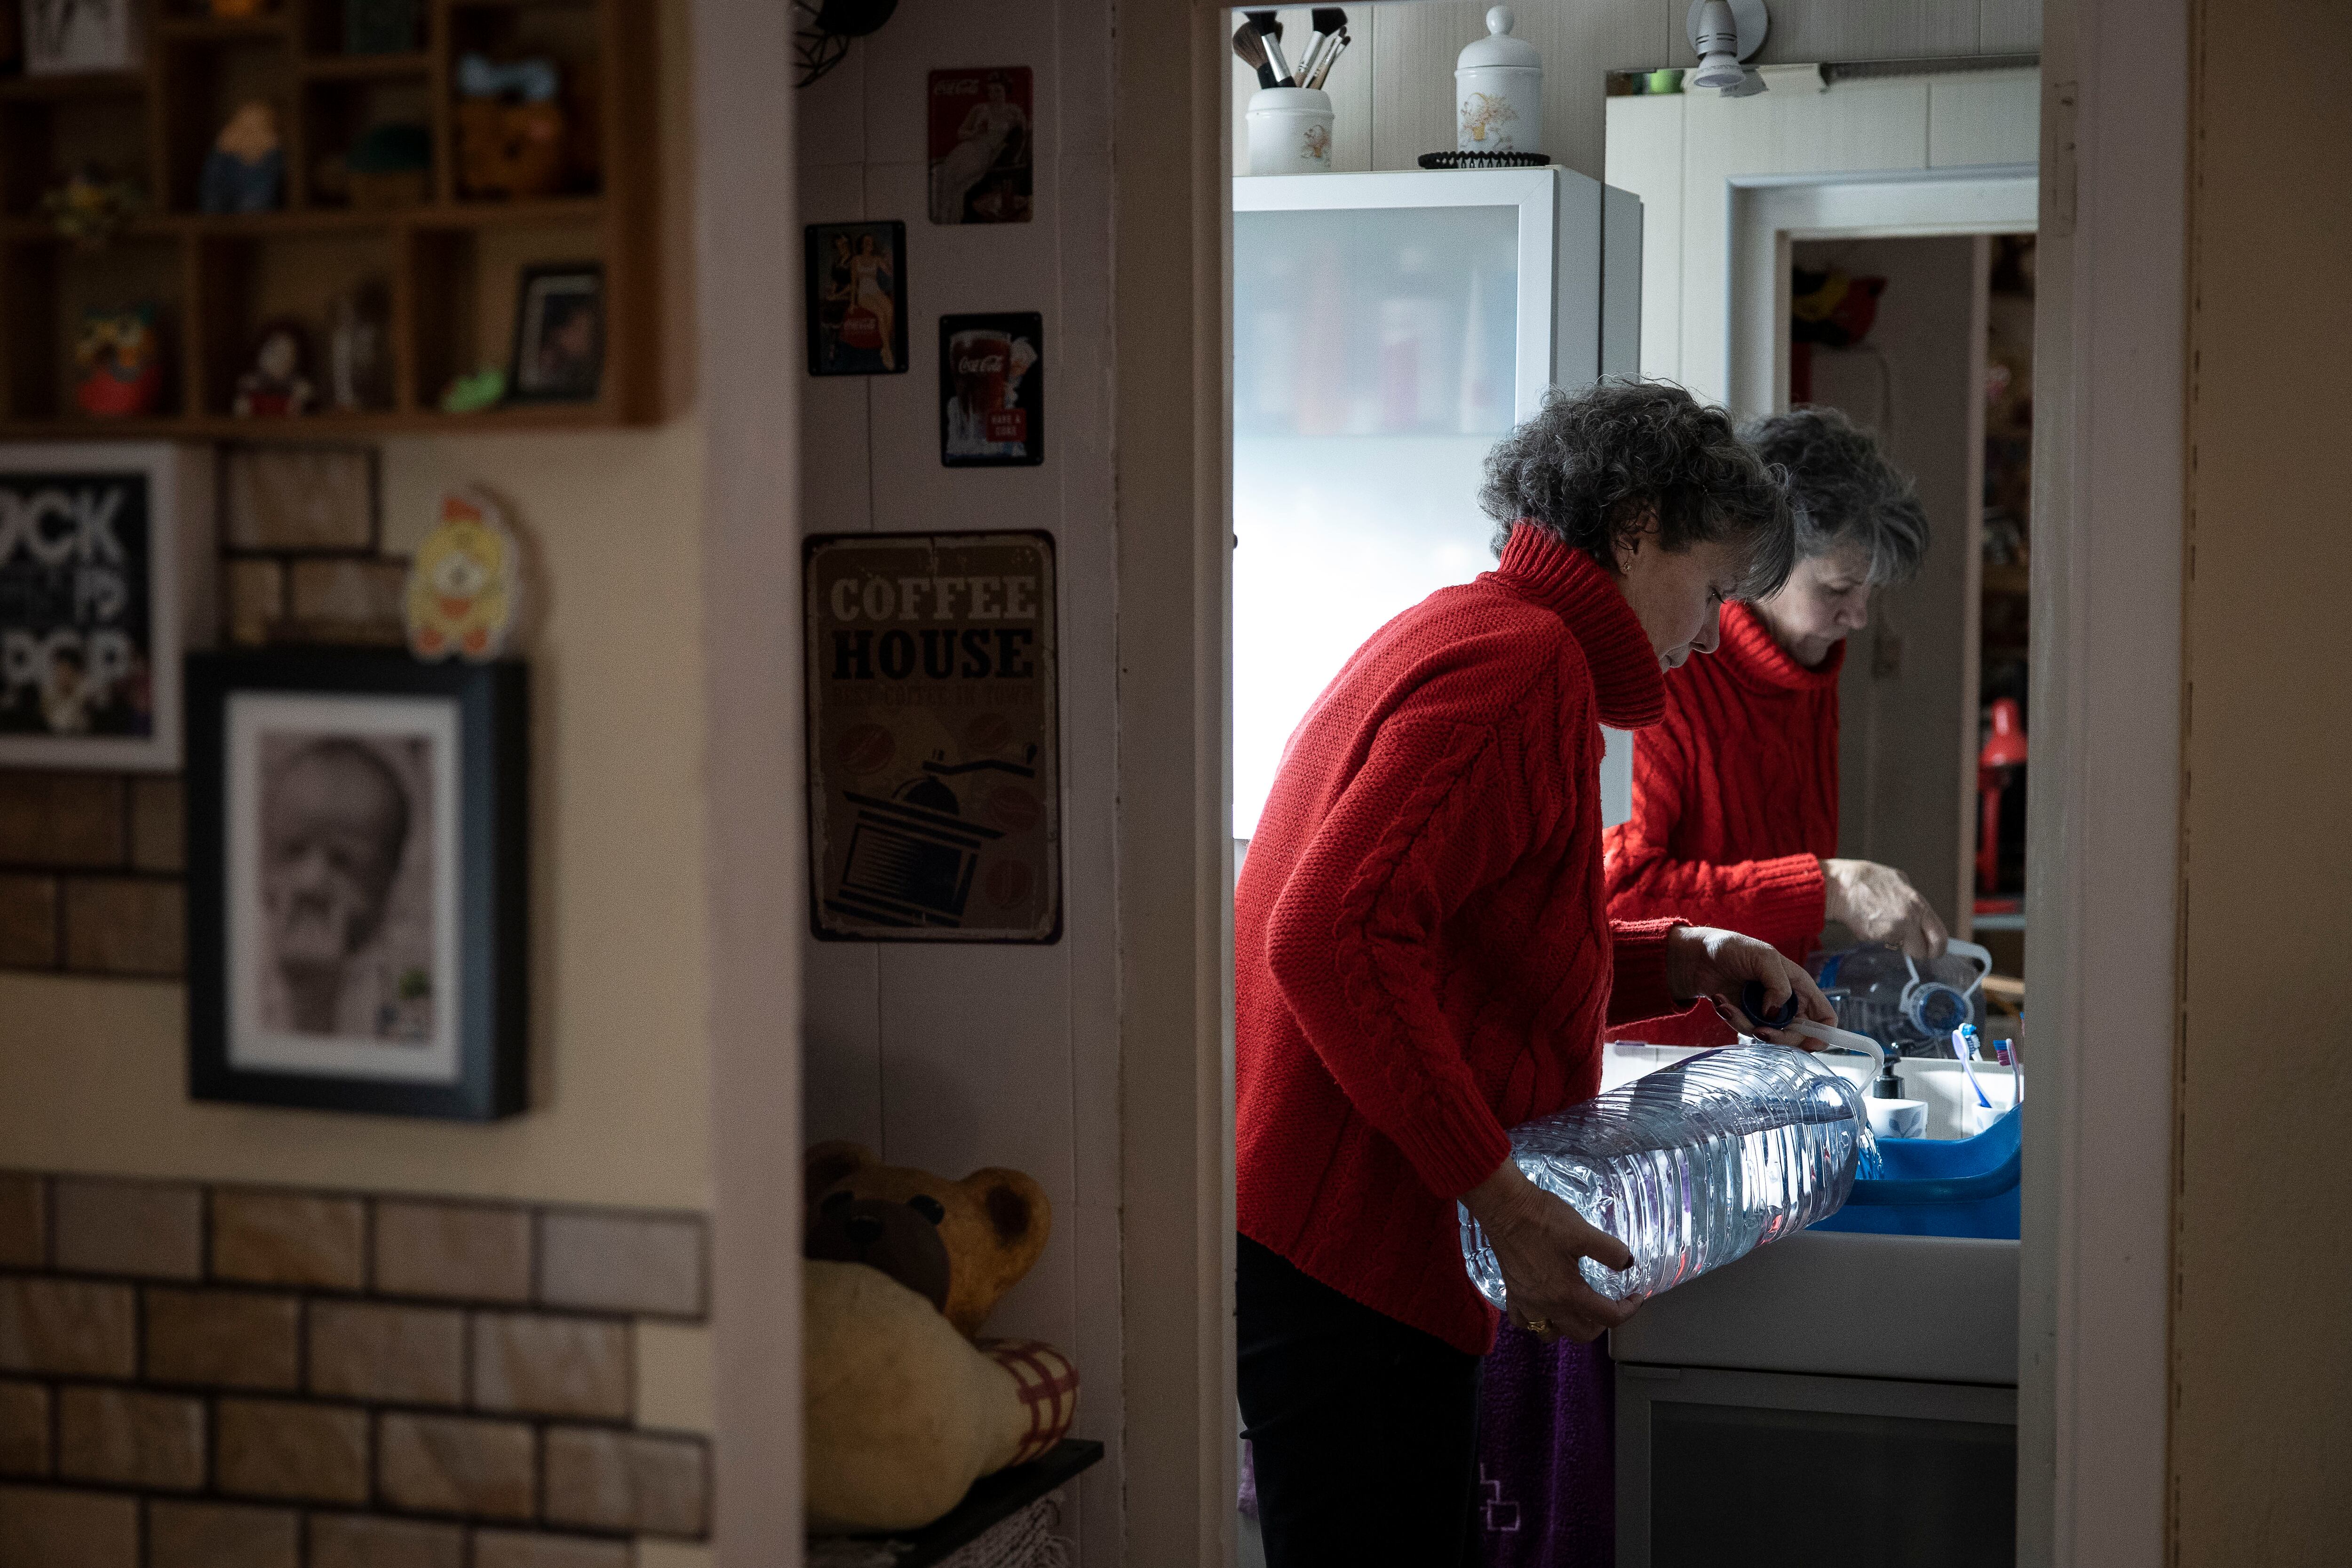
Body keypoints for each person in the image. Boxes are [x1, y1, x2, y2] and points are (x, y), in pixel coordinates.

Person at [1235, 381, 1838, 1567]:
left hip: (1328, 1250)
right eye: (1711, 586)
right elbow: (1328, 940)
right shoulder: (1522, 671)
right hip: (1354, 1262)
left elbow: (1465, 939)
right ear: (1632, 529)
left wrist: (1681, 953)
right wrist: (1501, 1201)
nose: (1714, 630)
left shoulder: (1473, 628)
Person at [1605, 405, 1944, 1049]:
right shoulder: (1669, 671)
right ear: (1762, 566)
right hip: (1656, 1063)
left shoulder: (1805, 666)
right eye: (1839, 588)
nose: (1860, 616)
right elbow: (1621, 898)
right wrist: (1830, 888)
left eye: (1870, 591)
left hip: (1761, 1050)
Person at [259, 737, 418, 1038]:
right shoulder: (245, 969)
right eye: (292, 850)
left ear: (390, 881)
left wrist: (316, 999)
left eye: (344, 861)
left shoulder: (406, 987)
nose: (312, 881)